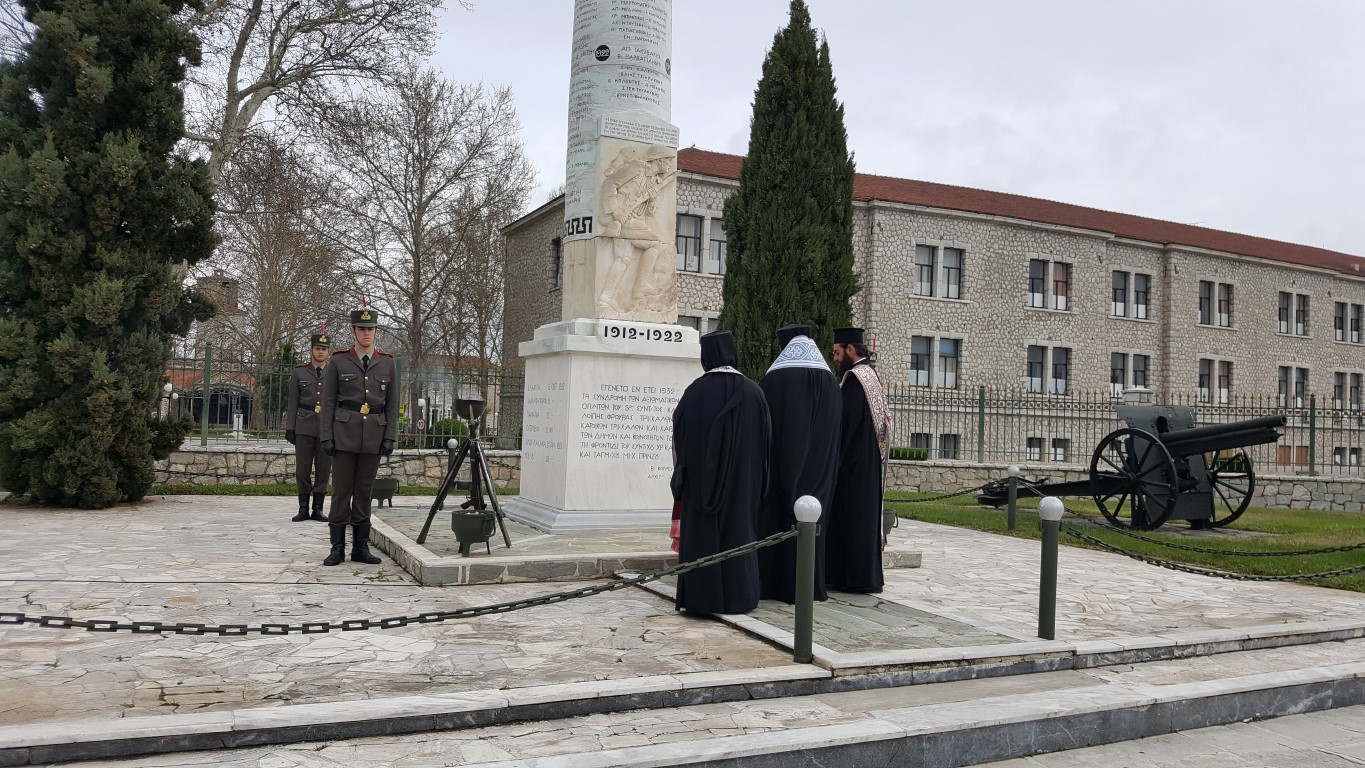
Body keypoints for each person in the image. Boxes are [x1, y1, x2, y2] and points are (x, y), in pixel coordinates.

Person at [670, 331, 771, 614]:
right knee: (740, 534)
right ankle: (741, 596)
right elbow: (766, 446)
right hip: (743, 486)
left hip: (701, 489)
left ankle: (702, 599)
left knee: (704, 540)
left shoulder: (694, 392)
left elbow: (681, 439)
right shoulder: (754, 392)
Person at [756, 324, 839, 604]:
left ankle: (777, 584)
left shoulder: (777, 378)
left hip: (783, 471)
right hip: (820, 474)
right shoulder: (830, 380)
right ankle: (811, 584)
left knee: (782, 515)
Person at [319, 308, 398, 566]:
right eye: (362, 329)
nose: (367, 333)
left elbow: (391, 404)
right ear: (353, 331)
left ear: (376, 331)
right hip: (343, 434)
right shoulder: (339, 361)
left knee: (364, 491)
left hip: (373, 435)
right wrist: (326, 436)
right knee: (342, 491)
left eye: (371, 329)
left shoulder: (387, 363)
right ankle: (337, 548)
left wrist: (390, 436)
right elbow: (328, 402)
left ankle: (360, 548)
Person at [825, 327, 891, 594]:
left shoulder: (855, 379)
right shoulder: (870, 375)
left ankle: (853, 578)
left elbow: (847, 424)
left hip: (854, 464)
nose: (836, 358)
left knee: (852, 520)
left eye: (838, 352)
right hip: (869, 461)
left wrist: (835, 458)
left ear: (851, 349)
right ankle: (863, 576)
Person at [286, 331, 332, 522]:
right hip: (304, 426)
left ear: (328, 352)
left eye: (323, 349)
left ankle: (318, 509)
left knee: (323, 470)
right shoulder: (300, 372)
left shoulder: (333, 372)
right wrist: (290, 427)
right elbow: (293, 401)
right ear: (311, 350)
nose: (320, 352)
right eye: (317, 349)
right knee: (302, 469)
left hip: (325, 429)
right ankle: (303, 508)